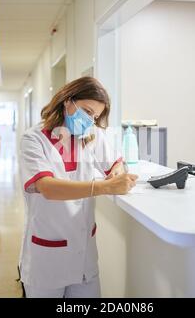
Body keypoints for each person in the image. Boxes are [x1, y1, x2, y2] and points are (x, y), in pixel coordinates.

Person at [19, 77, 138, 298]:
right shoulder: (33, 139)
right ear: (67, 101)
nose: (89, 119)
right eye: (86, 110)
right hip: (47, 258)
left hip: (84, 257)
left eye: (94, 116)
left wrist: (116, 173)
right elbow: (48, 188)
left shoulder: (92, 135)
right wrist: (103, 186)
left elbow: (116, 162)